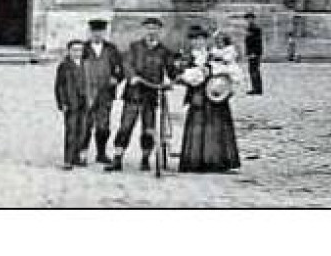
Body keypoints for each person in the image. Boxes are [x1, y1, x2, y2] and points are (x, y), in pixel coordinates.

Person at [106, 17, 175, 173]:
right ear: (144, 30)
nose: (151, 32)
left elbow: (171, 70)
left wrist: (173, 79)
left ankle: (145, 158)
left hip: (151, 94)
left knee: (148, 129)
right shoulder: (134, 47)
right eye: (149, 28)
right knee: (125, 126)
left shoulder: (164, 52)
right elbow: (127, 64)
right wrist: (132, 77)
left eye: (155, 29)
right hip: (134, 94)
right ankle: (117, 157)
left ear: (160, 31)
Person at [177, 24, 240, 173]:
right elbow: (186, 76)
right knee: (198, 126)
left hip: (216, 95)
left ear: (205, 40)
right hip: (198, 96)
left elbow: (232, 71)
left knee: (217, 126)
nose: (197, 42)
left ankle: (218, 161)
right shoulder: (188, 57)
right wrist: (196, 74)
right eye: (194, 39)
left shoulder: (216, 55)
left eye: (200, 39)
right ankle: (196, 161)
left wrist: (215, 70)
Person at [81, 19, 124, 163]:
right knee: (85, 123)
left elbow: (120, 68)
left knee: (103, 125)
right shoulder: (83, 49)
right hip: (87, 92)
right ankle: (82, 153)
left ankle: (101, 153)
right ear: (90, 32)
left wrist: (116, 78)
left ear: (104, 33)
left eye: (100, 32)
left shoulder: (112, 49)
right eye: (94, 32)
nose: (97, 35)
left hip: (106, 92)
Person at [55, 39, 91, 170]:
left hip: (84, 102)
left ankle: (77, 156)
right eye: (74, 50)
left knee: (82, 130)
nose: (77, 53)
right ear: (69, 51)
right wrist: (62, 102)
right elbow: (59, 86)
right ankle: (68, 159)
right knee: (71, 130)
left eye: (80, 50)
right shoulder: (64, 66)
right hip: (71, 102)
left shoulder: (86, 65)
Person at [243, 13, 264, 96]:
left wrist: (254, 53)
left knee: (254, 70)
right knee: (252, 70)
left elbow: (257, 42)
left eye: (250, 18)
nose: (248, 20)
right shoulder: (250, 28)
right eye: (247, 19)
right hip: (251, 52)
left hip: (254, 53)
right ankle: (255, 88)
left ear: (253, 19)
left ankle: (257, 89)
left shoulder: (255, 28)